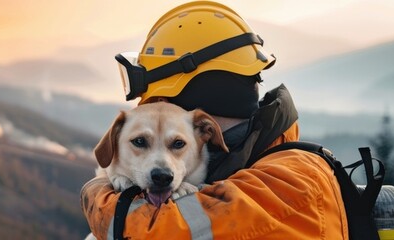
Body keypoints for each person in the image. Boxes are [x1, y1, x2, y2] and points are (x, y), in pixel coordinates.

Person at [81, 1, 349, 239]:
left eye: (159, 99)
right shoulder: (242, 165)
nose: (156, 109)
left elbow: (152, 231)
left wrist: (98, 187)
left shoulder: (291, 180)